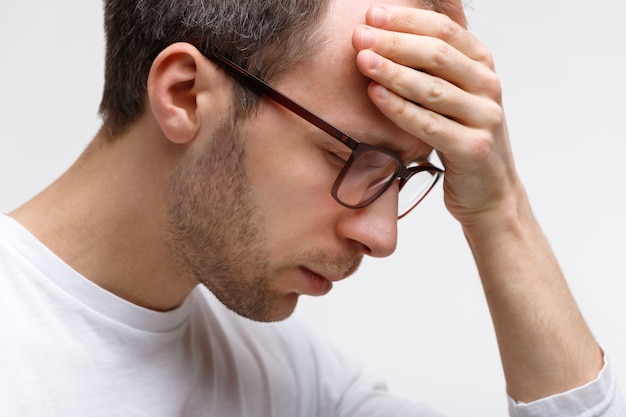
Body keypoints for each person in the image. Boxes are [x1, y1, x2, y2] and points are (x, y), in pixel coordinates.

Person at [0, 0, 623, 415]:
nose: (383, 238)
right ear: (186, 96)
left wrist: (499, 210)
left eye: (404, 175)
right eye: (346, 155)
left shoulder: (289, 384)